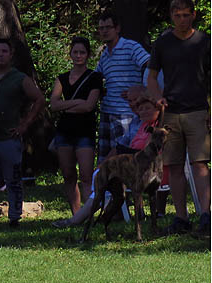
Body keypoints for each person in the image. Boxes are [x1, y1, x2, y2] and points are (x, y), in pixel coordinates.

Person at [147, 0, 211, 235]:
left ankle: (206, 215)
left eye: (186, 15)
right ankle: (181, 218)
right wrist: (157, 97)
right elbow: (151, 77)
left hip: (197, 110)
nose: (182, 19)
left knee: (200, 164)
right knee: (173, 166)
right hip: (171, 112)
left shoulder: (205, 41)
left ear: (194, 15)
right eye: (177, 15)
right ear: (171, 16)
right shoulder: (163, 42)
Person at [53, 94, 163, 228]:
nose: (144, 111)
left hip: (145, 169)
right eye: (141, 109)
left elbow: (148, 152)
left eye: (148, 108)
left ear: (158, 109)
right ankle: (102, 215)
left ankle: (78, 220)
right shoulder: (138, 123)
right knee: (101, 174)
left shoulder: (157, 129)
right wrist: (103, 163)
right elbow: (120, 145)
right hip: (129, 164)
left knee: (107, 180)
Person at [0, 38, 45, 228]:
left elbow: (39, 99)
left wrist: (25, 124)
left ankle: (14, 216)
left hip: (9, 138)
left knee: (13, 180)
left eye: (4, 51)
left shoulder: (19, 78)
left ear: (11, 54)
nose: (0, 55)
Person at [50, 36, 103, 215]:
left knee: (87, 176)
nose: (78, 56)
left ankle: (90, 213)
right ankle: (76, 213)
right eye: (75, 52)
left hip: (85, 132)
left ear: (87, 55)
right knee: (68, 175)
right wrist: (77, 103)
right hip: (64, 132)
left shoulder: (94, 77)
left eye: (82, 52)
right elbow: (54, 104)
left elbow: (90, 105)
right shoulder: (62, 78)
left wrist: (68, 105)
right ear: (70, 54)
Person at [96, 12, 151, 163]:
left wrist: (143, 89)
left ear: (117, 28)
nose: (105, 31)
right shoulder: (105, 54)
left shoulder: (131, 46)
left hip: (126, 113)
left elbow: (151, 65)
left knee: (124, 160)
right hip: (107, 112)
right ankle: (105, 187)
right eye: (101, 28)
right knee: (105, 161)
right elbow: (95, 78)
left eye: (108, 27)